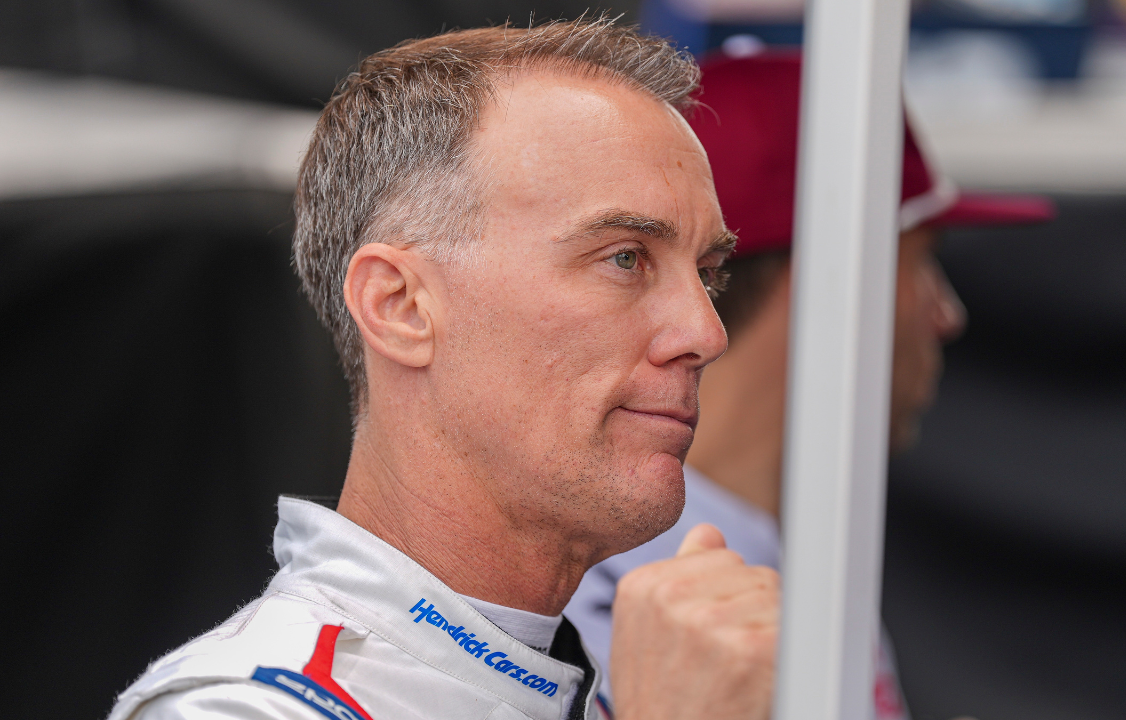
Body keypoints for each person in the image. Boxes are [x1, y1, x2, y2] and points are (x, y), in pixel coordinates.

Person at [108, 19, 780, 720]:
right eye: (624, 257)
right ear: (399, 306)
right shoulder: (243, 707)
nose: (705, 332)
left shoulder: (636, 677)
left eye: (708, 274)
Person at [564, 50, 1055, 720]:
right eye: (921, 264)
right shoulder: (595, 595)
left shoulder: (793, 554)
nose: (946, 314)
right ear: (837, 279)